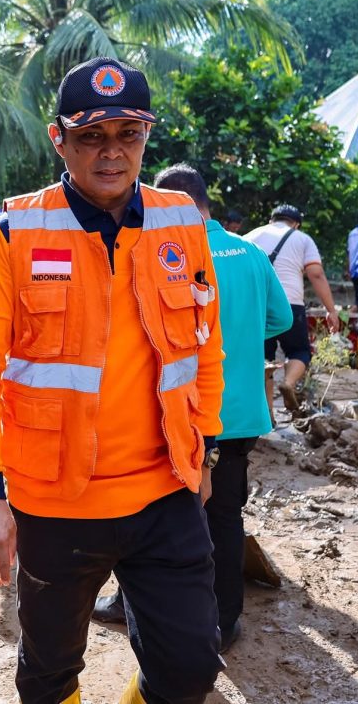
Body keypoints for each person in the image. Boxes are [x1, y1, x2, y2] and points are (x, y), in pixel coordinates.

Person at [0, 57, 225, 704]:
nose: (111, 152)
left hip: (164, 492)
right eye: (91, 136)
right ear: (60, 140)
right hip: (55, 501)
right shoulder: (15, 232)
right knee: (49, 674)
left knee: (190, 670)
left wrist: (207, 449)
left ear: (146, 137)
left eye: (127, 134)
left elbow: (205, 346)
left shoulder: (182, 222)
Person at [91, 164, 291, 656]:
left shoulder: (161, 253)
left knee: (150, 514)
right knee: (224, 516)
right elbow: (281, 319)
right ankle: (224, 621)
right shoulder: (249, 253)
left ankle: (135, 606)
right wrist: (240, 338)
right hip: (239, 413)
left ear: (172, 200)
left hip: (176, 412)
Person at [245, 205, 340, 418]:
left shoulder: (250, 237)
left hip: (256, 305)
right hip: (290, 304)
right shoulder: (302, 239)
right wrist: (331, 310)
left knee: (264, 359)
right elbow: (316, 274)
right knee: (299, 351)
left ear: (271, 220)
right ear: (296, 224)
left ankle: (268, 414)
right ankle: (288, 383)